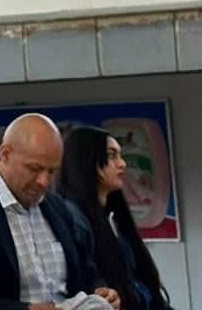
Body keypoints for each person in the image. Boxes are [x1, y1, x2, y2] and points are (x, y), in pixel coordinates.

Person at [0, 114, 121, 310]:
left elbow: (86, 270)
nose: (43, 182)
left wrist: (101, 291)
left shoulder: (57, 207)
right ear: (5, 154)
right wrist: (26, 309)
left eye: (52, 171)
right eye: (34, 168)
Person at [56, 128, 171, 310]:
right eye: (112, 156)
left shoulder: (113, 217)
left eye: (120, 155)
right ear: (87, 160)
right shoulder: (73, 219)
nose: (122, 164)